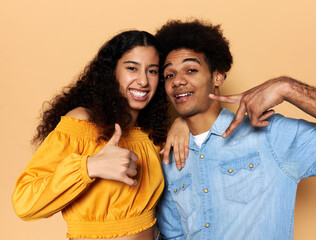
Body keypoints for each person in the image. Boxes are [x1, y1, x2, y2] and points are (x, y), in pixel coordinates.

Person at [155, 19, 316, 240]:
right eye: (169, 75)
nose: (177, 81)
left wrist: (288, 87)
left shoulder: (270, 136)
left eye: (191, 69)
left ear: (218, 76)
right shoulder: (170, 157)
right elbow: (173, 236)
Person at [12, 30, 189, 240]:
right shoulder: (83, 123)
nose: (143, 81)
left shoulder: (151, 133)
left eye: (152, 71)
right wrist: (90, 167)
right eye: (132, 68)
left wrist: (183, 121)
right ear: (111, 71)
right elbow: (24, 203)